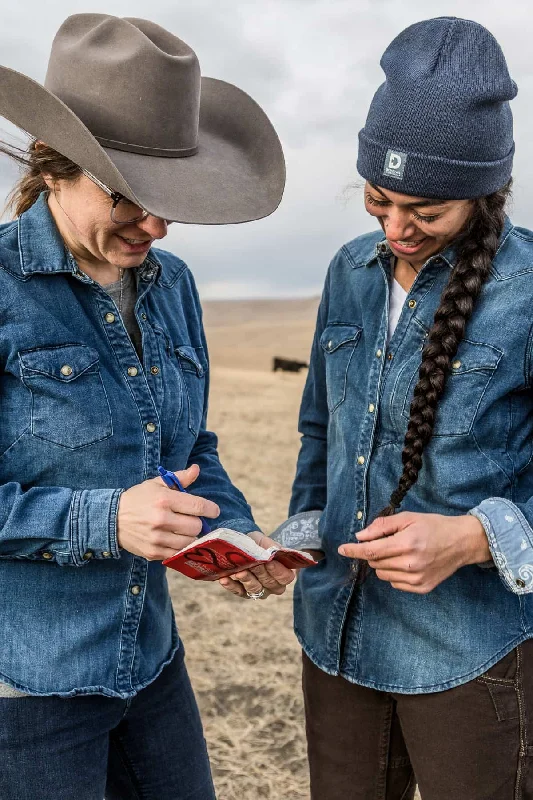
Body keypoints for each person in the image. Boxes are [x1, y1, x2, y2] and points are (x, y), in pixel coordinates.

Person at [220, 16, 533, 799]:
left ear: (485, 192)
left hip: (469, 652)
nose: (395, 228)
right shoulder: (347, 273)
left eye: (424, 212)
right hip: (338, 636)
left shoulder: (525, 292)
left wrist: (470, 537)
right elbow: (321, 430)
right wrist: (292, 536)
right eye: (376, 200)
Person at [0, 13, 292, 800]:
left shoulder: (175, 288)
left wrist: (227, 529)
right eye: (129, 196)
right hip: (26, 688)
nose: (158, 226)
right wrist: (105, 520)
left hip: (150, 661)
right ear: (53, 166)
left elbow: (189, 445)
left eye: (174, 200)